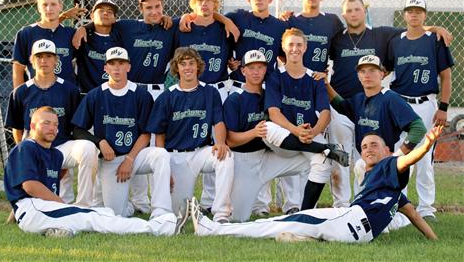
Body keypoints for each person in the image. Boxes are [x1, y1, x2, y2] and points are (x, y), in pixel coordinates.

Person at [189, 126, 441, 243]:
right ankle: (305, 238)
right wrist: (435, 240)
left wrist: (426, 145)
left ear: (387, 150)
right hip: (353, 229)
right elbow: (417, 217)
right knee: (290, 226)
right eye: (364, 146)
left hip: (350, 219)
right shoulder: (394, 193)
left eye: (374, 145)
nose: (367, 149)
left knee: (276, 223)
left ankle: (212, 230)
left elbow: (407, 159)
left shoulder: (389, 165)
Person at [328, 0, 454, 207]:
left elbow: (416, 31)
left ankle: (420, 206)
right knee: (364, 158)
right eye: (349, 10)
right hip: (370, 104)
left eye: (357, 9)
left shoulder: (383, 34)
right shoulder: (340, 39)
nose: (353, 14)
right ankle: (361, 203)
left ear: (364, 10)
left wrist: (435, 28)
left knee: (412, 157)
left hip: (402, 104)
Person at [4, 106, 179, 237]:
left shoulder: (55, 154)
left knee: (105, 212)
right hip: (33, 209)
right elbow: (30, 187)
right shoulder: (27, 147)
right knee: (92, 217)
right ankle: (161, 227)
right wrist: (63, 205)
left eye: (56, 124)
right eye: (46, 123)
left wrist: (11, 219)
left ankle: (59, 231)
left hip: (41, 209)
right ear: (33, 126)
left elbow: (37, 184)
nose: (52, 128)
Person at [226, 50, 348, 221]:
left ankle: (304, 217)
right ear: (243, 71)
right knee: (237, 218)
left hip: (270, 158)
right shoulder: (235, 99)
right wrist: (253, 132)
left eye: (260, 67)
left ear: (265, 70)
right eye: (251, 67)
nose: (256, 72)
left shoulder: (271, 91)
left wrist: (320, 78)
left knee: (322, 160)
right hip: (245, 162)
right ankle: (326, 148)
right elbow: (230, 140)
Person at [71, 47, 173, 218]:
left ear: (128, 67)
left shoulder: (141, 95)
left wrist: (130, 159)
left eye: (121, 63)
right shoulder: (96, 95)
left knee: (161, 155)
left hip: (136, 156)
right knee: (116, 214)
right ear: (106, 68)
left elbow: (146, 133)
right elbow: (78, 130)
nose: (116, 68)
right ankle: (127, 207)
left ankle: (161, 212)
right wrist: (100, 142)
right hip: (112, 160)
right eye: (112, 64)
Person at [5, 39, 98, 207]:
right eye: (39, 57)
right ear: (31, 60)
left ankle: (84, 206)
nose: (44, 61)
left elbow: (75, 127)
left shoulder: (69, 89)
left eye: (49, 56)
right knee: (53, 203)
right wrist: (26, 156)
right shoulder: (20, 92)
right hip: (35, 151)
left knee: (88, 148)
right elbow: (17, 130)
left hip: (62, 148)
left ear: (56, 60)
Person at [385, 0, 454, 220]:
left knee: (425, 158)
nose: (414, 15)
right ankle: (399, 205)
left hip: (426, 104)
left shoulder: (435, 40)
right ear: (404, 15)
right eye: (410, 11)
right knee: (399, 154)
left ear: (425, 15)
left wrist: (443, 107)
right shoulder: (396, 41)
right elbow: (385, 70)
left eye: (418, 11)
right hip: (399, 102)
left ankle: (426, 208)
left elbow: (446, 76)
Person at [149, 47, 234, 224]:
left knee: (226, 157)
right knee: (177, 212)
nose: (187, 67)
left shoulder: (210, 92)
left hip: (201, 152)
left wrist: (220, 142)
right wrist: (164, 168)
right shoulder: (167, 97)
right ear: (176, 68)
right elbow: (159, 135)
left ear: (198, 66)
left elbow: (218, 121)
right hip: (175, 156)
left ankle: (221, 215)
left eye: (191, 63)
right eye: (183, 64)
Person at [264, 28, 335, 213]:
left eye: (299, 45)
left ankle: (306, 211)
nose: (294, 49)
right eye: (290, 45)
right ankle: (290, 205)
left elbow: (325, 113)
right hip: (285, 140)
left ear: (305, 47)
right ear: (283, 47)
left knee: (324, 161)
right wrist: (296, 130)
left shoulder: (315, 78)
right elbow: (273, 112)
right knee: (267, 127)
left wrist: (314, 131)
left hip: (309, 136)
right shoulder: (275, 76)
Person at [12, 0, 81, 88]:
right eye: (44, 5)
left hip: (66, 95)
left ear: (60, 6)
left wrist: (83, 28)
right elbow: (18, 68)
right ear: (38, 8)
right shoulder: (26, 33)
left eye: (53, 4)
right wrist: (19, 97)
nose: (49, 9)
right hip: (36, 94)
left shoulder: (71, 33)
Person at [76, 0, 120, 93]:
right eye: (101, 10)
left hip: (114, 93)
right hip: (87, 94)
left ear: (115, 18)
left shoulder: (122, 39)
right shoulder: (82, 38)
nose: (105, 13)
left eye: (110, 11)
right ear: (92, 16)